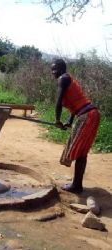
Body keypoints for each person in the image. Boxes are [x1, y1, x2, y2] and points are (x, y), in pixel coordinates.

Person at [51, 58, 100, 193]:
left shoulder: (63, 78)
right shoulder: (68, 79)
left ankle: (77, 186)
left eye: (55, 69)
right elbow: (76, 103)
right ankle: (77, 184)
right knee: (81, 151)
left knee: (79, 151)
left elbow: (59, 102)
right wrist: (69, 120)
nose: (53, 72)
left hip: (87, 116)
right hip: (89, 114)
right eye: (52, 69)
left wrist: (57, 119)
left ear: (62, 69)